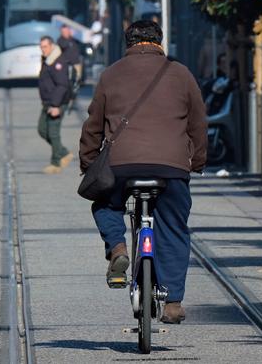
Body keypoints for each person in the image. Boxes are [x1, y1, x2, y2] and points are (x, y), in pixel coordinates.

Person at [79, 20, 207, 324]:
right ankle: (173, 300)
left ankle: (118, 247)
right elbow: (199, 122)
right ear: (159, 42)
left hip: (121, 165)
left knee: (106, 203)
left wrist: (88, 163)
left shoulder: (111, 74)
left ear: (128, 44)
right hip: (171, 166)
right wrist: (197, 161)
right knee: (174, 226)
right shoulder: (181, 73)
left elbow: (93, 125)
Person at [37, 36, 73, 174]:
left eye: (45, 47)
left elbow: (62, 85)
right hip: (47, 102)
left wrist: (56, 105)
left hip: (56, 103)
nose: (43, 49)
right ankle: (63, 152)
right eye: (41, 47)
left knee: (53, 132)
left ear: (52, 46)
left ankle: (56, 163)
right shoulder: (47, 59)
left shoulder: (58, 62)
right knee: (42, 130)